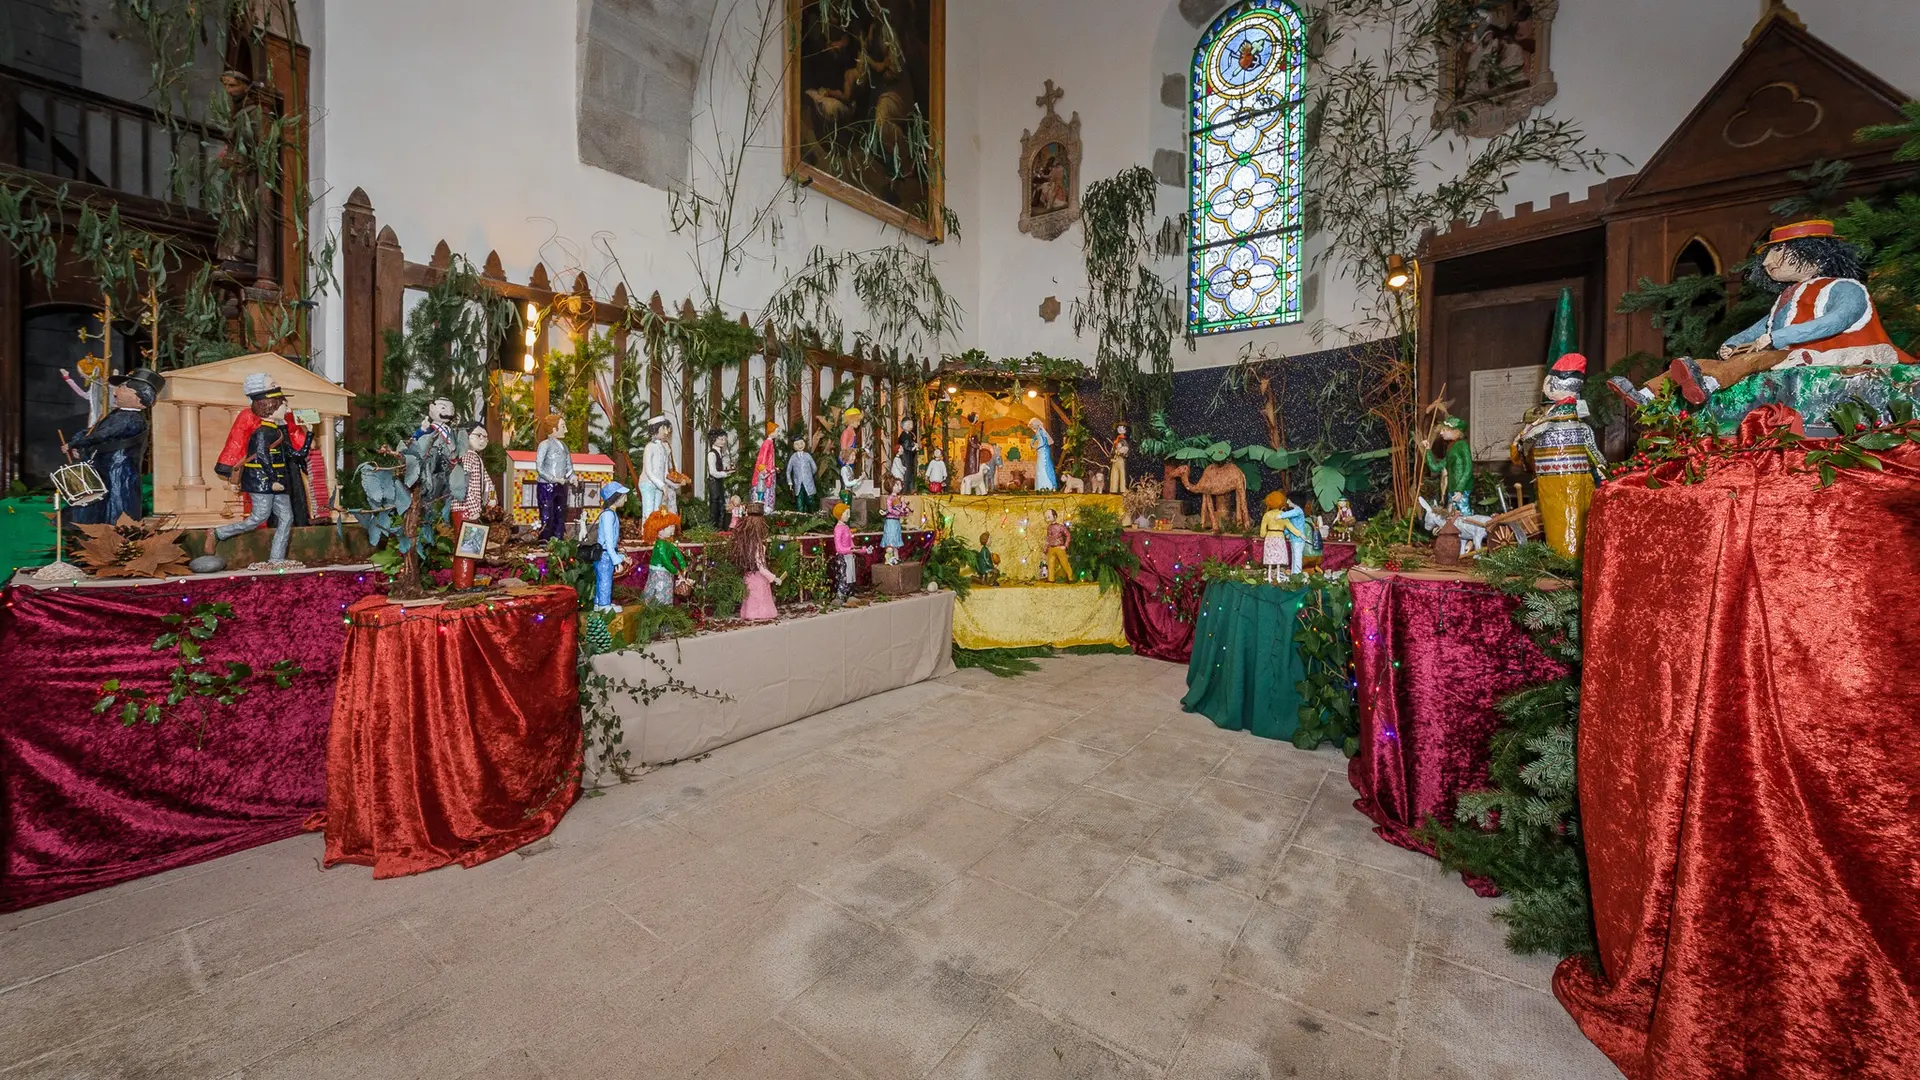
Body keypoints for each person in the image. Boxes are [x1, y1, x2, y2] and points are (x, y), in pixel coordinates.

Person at [1612, 220, 1916, 408]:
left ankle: (1710, 385)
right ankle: (1649, 394)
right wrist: (1735, 340)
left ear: (1816, 253)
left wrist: (1777, 337)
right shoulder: (1788, 295)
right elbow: (1763, 325)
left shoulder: (1846, 289)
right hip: (1786, 352)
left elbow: (1834, 322)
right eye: (1769, 255)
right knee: (1701, 364)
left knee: (1758, 358)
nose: (1769, 262)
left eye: (1779, 253)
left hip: (1826, 354)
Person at [1513, 353, 1608, 559]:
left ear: (1554, 385)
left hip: (1556, 481)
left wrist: (1520, 445)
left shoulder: (1548, 423)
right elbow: (1594, 453)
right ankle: (1574, 559)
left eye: (1547, 382)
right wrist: (1602, 470)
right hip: (1575, 478)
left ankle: (1564, 560)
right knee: (1575, 519)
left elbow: (1523, 441)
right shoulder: (1580, 426)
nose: (1544, 386)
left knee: (1562, 521)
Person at [210, 391, 308, 563]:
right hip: (263, 482)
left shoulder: (277, 431)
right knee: (258, 518)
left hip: (278, 483)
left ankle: (276, 559)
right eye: (284, 405)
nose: (288, 409)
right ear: (271, 409)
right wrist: (273, 481)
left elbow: (295, 453)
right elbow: (262, 457)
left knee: (286, 518)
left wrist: (311, 433)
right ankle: (218, 532)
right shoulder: (262, 433)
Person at [63, 368, 163, 526]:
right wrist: (78, 440)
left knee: (117, 504)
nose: (116, 392)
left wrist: (76, 443)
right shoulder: (117, 414)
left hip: (119, 470)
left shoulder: (131, 419)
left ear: (140, 399)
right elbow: (93, 430)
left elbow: (105, 434)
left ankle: (117, 536)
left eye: (124, 388)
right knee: (98, 503)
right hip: (105, 467)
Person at [732, 504, 783, 621]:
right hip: (758, 579)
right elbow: (761, 568)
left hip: (748, 577)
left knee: (750, 598)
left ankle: (749, 613)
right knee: (760, 598)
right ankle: (759, 613)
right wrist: (774, 578)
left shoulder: (744, 544)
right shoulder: (758, 546)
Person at [534, 413, 574, 541]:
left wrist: (572, 476)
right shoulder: (544, 445)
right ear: (553, 429)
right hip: (546, 486)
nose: (566, 430)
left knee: (560, 513)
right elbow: (539, 468)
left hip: (561, 486)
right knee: (547, 514)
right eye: (563, 426)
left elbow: (568, 465)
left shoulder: (564, 447)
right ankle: (545, 541)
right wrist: (553, 479)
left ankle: (558, 540)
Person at [592, 481, 630, 613]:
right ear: (616, 497)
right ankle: (603, 605)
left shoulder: (610, 514)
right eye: (623, 495)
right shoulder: (608, 515)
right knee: (605, 580)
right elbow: (608, 541)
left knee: (602, 579)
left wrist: (619, 554)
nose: (626, 498)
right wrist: (616, 560)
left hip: (606, 553)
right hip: (605, 555)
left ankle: (599, 602)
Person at [1420, 416, 1473, 506]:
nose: (1441, 433)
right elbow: (1435, 467)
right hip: (1452, 489)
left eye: (1444, 430)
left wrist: (1460, 490)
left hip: (1461, 490)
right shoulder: (1451, 447)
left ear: (1455, 431)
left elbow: (1468, 468)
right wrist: (1428, 450)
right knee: (1451, 516)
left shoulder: (1463, 445)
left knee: (1463, 516)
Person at [640, 509, 687, 606]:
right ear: (660, 530)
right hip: (659, 572)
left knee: (666, 588)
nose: (673, 528)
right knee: (660, 589)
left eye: (673, 526)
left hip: (665, 571)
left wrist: (683, 565)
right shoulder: (660, 545)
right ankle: (658, 608)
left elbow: (676, 552)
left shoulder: (668, 543)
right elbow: (665, 560)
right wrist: (676, 571)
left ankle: (663, 607)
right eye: (670, 526)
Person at [639, 416, 677, 521]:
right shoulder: (649, 447)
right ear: (655, 429)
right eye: (663, 429)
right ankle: (646, 535)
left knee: (657, 512)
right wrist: (662, 485)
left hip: (660, 485)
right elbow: (648, 471)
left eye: (667, 429)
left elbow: (665, 472)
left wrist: (674, 483)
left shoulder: (664, 448)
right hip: (648, 484)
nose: (666, 432)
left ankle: (654, 535)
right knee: (648, 512)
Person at [830, 501, 860, 605]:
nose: (849, 515)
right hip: (843, 556)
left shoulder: (846, 527)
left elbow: (850, 542)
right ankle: (840, 596)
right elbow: (839, 547)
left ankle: (850, 594)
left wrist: (856, 549)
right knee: (843, 575)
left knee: (851, 575)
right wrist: (850, 550)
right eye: (847, 513)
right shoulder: (838, 529)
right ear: (840, 514)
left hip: (849, 555)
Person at [705, 428, 735, 527]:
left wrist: (726, 470)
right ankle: (714, 528)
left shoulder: (719, 453)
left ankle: (720, 528)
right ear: (714, 439)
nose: (723, 441)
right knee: (715, 505)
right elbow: (713, 472)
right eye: (721, 439)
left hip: (718, 482)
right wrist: (725, 474)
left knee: (721, 506)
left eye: (724, 439)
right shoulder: (712, 454)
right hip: (713, 482)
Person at [749, 421, 778, 513]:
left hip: (770, 471)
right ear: (772, 432)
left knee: (769, 489)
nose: (778, 433)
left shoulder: (770, 443)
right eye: (777, 431)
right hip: (767, 472)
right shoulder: (767, 443)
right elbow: (763, 457)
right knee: (765, 490)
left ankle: (768, 507)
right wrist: (765, 469)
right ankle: (765, 507)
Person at [787, 437, 818, 509]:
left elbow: (814, 468)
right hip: (798, 484)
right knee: (799, 502)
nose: (800, 446)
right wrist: (790, 482)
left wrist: (809, 475)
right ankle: (800, 517)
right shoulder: (793, 457)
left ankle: (812, 515)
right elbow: (788, 471)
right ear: (793, 446)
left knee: (810, 501)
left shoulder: (807, 456)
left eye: (801, 443)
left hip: (808, 483)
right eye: (797, 444)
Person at [881, 479, 907, 565]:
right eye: (896, 485)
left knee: (896, 541)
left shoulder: (898, 498)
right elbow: (889, 509)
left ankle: (896, 558)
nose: (899, 487)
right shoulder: (890, 498)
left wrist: (903, 505)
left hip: (896, 522)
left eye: (899, 485)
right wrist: (898, 512)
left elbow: (902, 509)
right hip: (891, 521)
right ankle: (889, 558)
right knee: (890, 540)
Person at [1043, 507, 1072, 583]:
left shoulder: (1060, 527)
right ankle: (1051, 579)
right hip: (1051, 548)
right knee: (1050, 564)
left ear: (1055, 517)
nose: (1047, 519)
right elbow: (1048, 539)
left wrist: (1065, 546)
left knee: (1064, 563)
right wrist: (1045, 549)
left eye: (1049, 517)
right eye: (1046, 517)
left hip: (1059, 547)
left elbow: (1068, 535)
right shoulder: (1049, 527)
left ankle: (1070, 577)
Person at [1029, 417, 1057, 492]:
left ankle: (1047, 485)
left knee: (1043, 466)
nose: (1032, 428)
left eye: (1032, 426)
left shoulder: (1042, 431)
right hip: (1040, 451)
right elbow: (1035, 437)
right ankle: (1040, 486)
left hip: (1043, 451)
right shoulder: (1038, 431)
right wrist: (1032, 443)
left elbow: (1044, 442)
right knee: (1039, 467)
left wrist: (1037, 447)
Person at [896, 417, 918, 494]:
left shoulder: (910, 435)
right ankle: (904, 490)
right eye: (908, 424)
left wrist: (914, 446)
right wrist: (913, 447)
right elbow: (905, 445)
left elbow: (910, 443)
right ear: (903, 425)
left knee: (910, 472)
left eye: (911, 424)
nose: (910, 426)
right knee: (906, 472)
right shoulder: (903, 435)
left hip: (909, 456)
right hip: (905, 456)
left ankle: (910, 489)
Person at [1108, 423, 1129, 495]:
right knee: (1114, 474)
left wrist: (1120, 452)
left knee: (1122, 474)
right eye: (1118, 427)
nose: (1120, 429)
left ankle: (1123, 489)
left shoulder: (1124, 441)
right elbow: (1112, 450)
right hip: (1115, 459)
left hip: (1121, 459)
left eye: (1122, 428)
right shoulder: (1116, 441)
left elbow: (1126, 450)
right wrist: (1111, 457)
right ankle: (1113, 489)